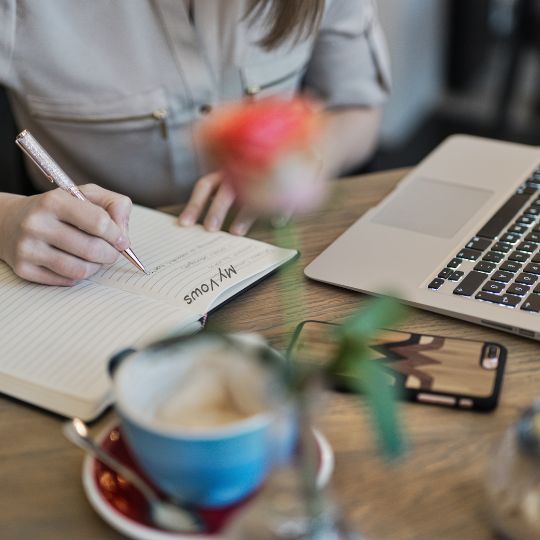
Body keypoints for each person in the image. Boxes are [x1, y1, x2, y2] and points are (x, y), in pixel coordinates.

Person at [0, 0, 390, 285]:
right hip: (92, 268)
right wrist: (6, 221)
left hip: (279, 247)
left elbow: (357, 108)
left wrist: (312, 157)